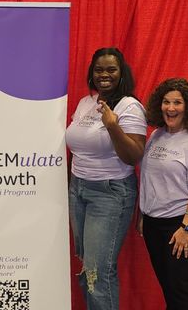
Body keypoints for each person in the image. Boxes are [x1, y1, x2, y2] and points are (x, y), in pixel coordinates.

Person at [65, 47, 146, 310]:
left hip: (110, 194)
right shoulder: (86, 102)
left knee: (99, 273)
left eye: (111, 69)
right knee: (89, 268)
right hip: (79, 190)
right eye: (99, 69)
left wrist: (113, 125)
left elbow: (133, 156)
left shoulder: (129, 107)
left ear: (121, 73)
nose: (104, 75)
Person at [139, 77, 188, 310]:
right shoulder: (156, 136)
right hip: (154, 223)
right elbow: (150, 179)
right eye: (166, 102)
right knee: (168, 286)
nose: (170, 108)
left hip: (180, 225)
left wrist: (186, 227)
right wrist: (144, 215)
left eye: (177, 103)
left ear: (187, 107)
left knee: (179, 288)